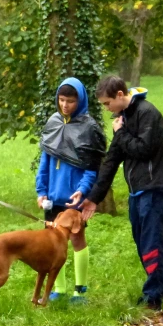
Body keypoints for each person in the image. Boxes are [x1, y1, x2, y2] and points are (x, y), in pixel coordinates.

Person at [79, 76, 163, 311]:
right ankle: (161, 288)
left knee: (152, 242)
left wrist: (120, 133)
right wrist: (93, 198)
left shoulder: (147, 113)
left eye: (107, 103)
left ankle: (152, 296)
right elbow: (112, 160)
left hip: (153, 188)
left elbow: (143, 150)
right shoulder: (123, 118)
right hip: (136, 192)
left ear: (120, 95)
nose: (106, 109)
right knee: (141, 242)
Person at [36, 77, 106, 303]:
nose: (65, 105)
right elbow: (44, 161)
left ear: (81, 100)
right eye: (62, 100)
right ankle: (60, 289)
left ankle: (80, 290)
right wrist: (41, 190)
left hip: (74, 196)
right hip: (52, 196)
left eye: (71, 101)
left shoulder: (89, 127)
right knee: (53, 243)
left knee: (77, 240)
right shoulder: (53, 122)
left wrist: (83, 190)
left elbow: (92, 168)